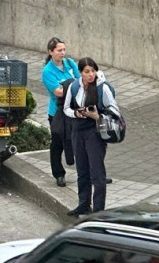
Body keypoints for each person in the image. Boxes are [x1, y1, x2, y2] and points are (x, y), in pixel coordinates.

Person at [64, 57, 119, 216]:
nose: (91, 75)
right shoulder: (74, 87)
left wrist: (96, 116)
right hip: (78, 130)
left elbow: (114, 111)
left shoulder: (103, 88)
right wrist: (76, 113)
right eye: (87, 72)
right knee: (82, 170)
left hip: (95, 131)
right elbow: (66, 108)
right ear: (80, 73)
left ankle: (98, 211)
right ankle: (83, 204)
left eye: (93, 71)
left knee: (97, 173)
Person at [42, 37, 80, 188]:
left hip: (73, 109)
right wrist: (72, 85)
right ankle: (59, 174)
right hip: (57, 113)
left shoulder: (70, 63)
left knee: (81, 141)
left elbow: (80, 80)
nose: (62, 53)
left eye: (64, 49)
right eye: (59, 50)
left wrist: (69, 86)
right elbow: (58, 92)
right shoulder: (47, 71)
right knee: (58, 143)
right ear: (51, 52)